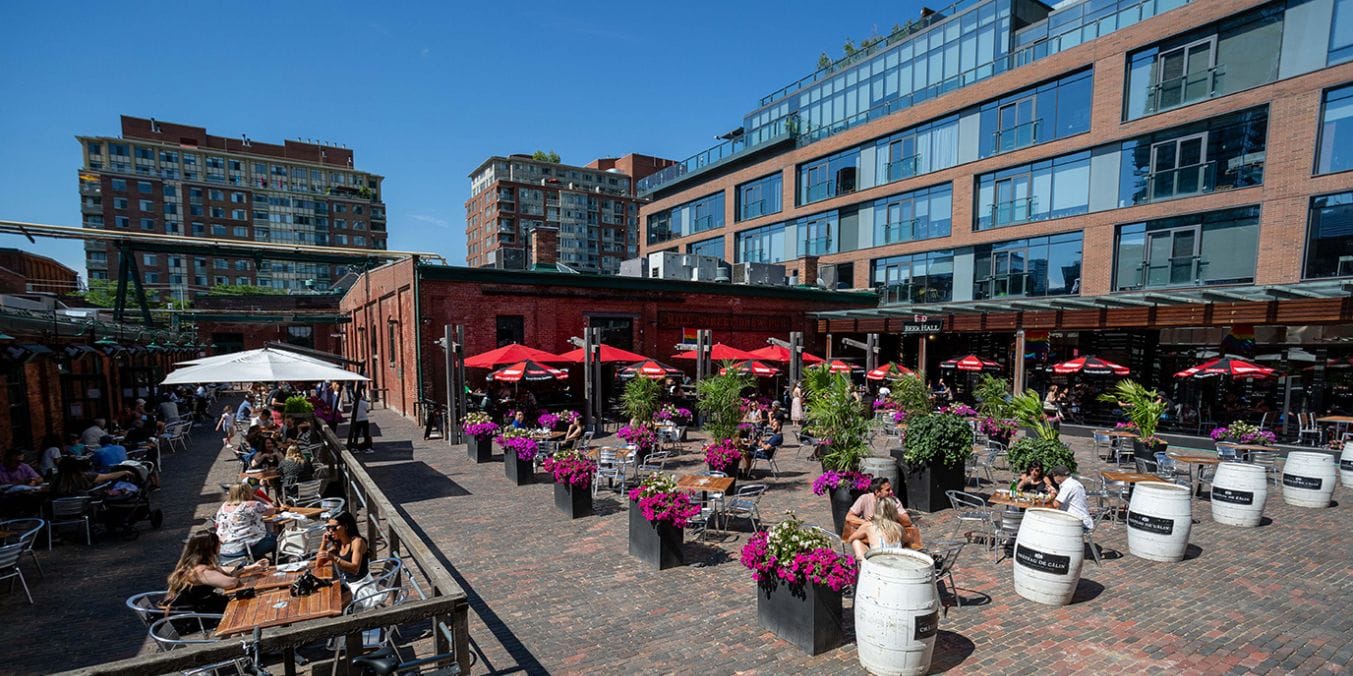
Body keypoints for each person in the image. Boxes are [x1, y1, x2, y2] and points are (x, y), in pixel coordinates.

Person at [166, 530, 270, 615]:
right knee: (250, 600)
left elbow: (224, 570)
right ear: (210, 548)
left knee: (247, 597)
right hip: (198, 616)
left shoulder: (191, 565)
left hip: (199, 608)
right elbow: (230, 583)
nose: (221, 545)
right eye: (218, 543)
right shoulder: (201, 571)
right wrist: (238, 574)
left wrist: (250, 568)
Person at [319, 511, 376, 604]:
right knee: (323, 599)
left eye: (333, 528)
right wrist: (324, 543)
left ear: (345, 526)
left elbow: (355, 569)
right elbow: (320, 563)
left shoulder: (357, 542)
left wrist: (335, 559)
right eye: (328, 528)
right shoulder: (338, 544)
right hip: (347, 584)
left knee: (334, 606)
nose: (330, 531)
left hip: (361, 586)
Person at [844, 477, 920, 544]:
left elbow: (908, 521)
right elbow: (849, 517)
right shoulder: (865, 498)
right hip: (872, 532)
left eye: (891, 489)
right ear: (877, 492)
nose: (891, 492)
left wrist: (892, 512)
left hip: (889, 534)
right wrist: (866, 522)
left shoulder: (894, 500)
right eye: (887, 490)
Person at [215, 483, 277, 559]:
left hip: (224, 548)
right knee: (276, 539)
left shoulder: (224, 506)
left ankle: (258, 560)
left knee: (254, 538)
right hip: (244, 548)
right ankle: (275, 562)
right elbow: (272, 509)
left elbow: (217, 523)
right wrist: (255, 497)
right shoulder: (251, 504)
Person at [847, 495, 922, 558]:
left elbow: (850, 539)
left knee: (856, 541)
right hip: (896, 562)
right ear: (894, 512)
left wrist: (868, 537)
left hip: (878, 563)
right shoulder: (898, 527)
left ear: (877, 510)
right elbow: (907, 540)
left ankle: (862, 567)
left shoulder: (868, 525)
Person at [1050, 465, 1093, 531]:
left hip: (1078, 522)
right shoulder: (1073, 482)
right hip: (1078, 518)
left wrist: (1052, 494)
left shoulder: (1067, 486)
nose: (1053, 478)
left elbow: (1055, 505)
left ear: (1058, 476)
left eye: (1053, 476)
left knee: (1049, 523)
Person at [349, 389, 372, 453]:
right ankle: (368, 447)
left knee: (356, 434)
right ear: (361, 396)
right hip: (364, 419)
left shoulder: (354, 404)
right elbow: (367, 411)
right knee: (366, 434)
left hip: (357, 420)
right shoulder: (365, 403)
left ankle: (355, 447)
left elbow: (353, 412)